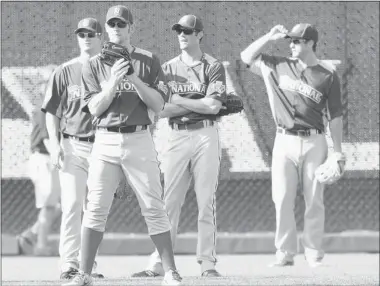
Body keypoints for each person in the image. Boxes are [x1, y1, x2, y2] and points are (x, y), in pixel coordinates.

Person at [64, 5, 182, 286]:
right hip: (104, 140)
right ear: (106, 28)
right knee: (95, 208)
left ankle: (170, 272)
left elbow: (158, 104)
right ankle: (85, 273)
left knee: (154, 206)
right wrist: (114, 81)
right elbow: (93, 108)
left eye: (122, 24)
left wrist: (132, 77)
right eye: (112, 24)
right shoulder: (93, 64)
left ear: (131, 27)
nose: (116, 28)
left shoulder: (148, 60)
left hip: (140, 137)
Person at [240, 23, 344, 267]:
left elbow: (336, 115)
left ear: (310, 43)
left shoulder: (327, 74)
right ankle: (285, 253)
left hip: (314, 140)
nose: (291, 44)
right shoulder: (277, 65)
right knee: (283, 198)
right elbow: (245, 57)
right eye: (291, 40)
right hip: (283, 140)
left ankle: (313, 253)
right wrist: (268, 36)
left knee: (314, 200)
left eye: (297, 41)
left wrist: (337, 150)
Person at [132, 15, 226, 278]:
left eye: (188, 30)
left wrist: (179, 99)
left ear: (199, 35)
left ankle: (207, 263)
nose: (182, 34)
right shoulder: (168, 67)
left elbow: (214, 106)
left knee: (206, 200)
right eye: (179, 31)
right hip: (175, 135)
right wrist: (195, 101)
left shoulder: (213, 66)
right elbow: (161, 109)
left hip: (206, 134)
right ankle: (159, 262)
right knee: (168, 202)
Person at [42, 18, 104, 279]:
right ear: (77, 38)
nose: (86, 37)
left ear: (101, 36)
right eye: (82, 33)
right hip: (73, 145)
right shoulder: (64, 70)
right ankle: (69, 264)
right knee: (72, 205)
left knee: (96, 209)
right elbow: (51, 112)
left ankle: (88, 265)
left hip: (103, 145)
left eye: (91, 33)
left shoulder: (110, 69)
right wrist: (55, 144)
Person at [16, 109, 61, 256]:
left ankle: (31, 234)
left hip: (46, 159)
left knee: (62, 204)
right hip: (45, 158)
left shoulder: (52, 106)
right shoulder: (45, 108)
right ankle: (41, 246)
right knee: (49, 206)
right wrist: (58, 159)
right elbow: (46, 138)